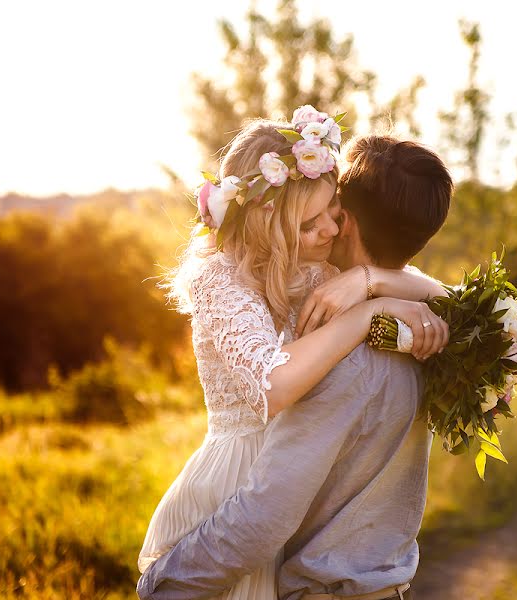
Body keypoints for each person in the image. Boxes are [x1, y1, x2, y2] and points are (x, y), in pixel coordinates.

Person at [137, 108, 451, 600]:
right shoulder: (221, 279)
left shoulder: (319, 271)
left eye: (335, 211)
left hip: (292, 488)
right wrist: (370, 311)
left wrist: (374, 280)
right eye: (313, 222)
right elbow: (273, 386)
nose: (331, 230)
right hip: (236, 488)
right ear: (269, 226)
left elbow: (449, 300)